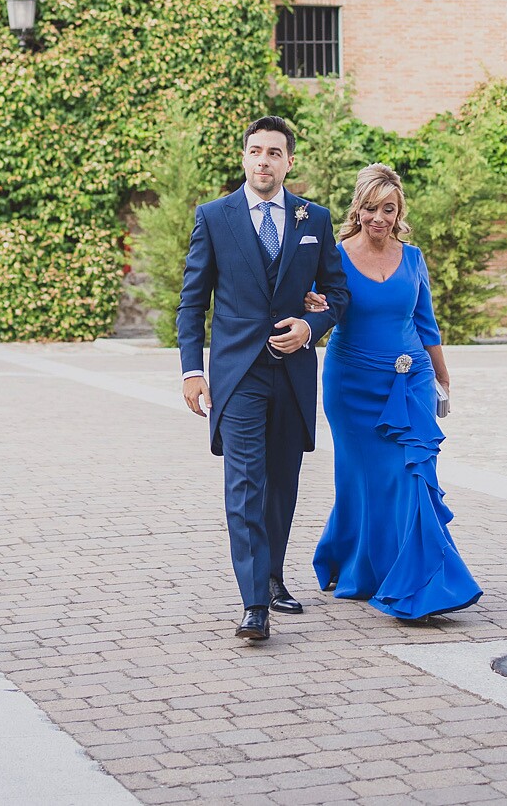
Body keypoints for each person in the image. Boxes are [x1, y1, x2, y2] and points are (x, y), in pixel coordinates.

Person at [178, 116, 350, 642]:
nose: (264, 161)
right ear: (244, 157)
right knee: (245, 484)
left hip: (293, 373)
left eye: (275, 153)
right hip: (238, 375)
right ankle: (255, 605)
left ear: (289, 162)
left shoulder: (313, 220)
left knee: (282, 485)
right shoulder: (214, 217)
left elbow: (338, 295)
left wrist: (311, 325)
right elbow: (192, 302)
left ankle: (273, 575)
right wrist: (192, 369)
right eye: (256, 151)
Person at [306, 163, 481, 621]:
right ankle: (358, 567)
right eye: (371, 208)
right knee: (361, 480)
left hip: (411, 380)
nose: (379, 217)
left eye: (389, 208)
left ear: (399, 211)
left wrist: (443, 376)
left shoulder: (414, 257)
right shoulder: (335, 255)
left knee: (412, 476)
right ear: (358, 209)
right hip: (351, 383)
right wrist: (309, 304)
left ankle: (423, 581)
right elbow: (314, 306)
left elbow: (426, 322)